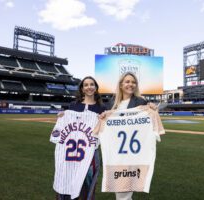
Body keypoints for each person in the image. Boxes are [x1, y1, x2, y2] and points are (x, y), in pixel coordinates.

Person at [100, 72, 156, 200]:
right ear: (121, 84)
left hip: (132, 154)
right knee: (119, 190)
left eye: (133, 82)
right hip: (116, 154)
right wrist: (103, 116)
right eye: (127, 81)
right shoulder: (112, 102)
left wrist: (152, 109)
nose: (131, 84)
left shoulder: (140, 101)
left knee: (123, 192)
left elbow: (147, 123)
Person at [56, 76, 105, 200]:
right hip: (71, 153)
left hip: (91, 152)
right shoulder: (73, 106)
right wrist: (62, 116)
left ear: (96, 88)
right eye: (86, 85)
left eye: (92, 84)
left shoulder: (102, 108)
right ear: (82, 89)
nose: (89, 87)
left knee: (88, 184)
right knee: (68, 179)